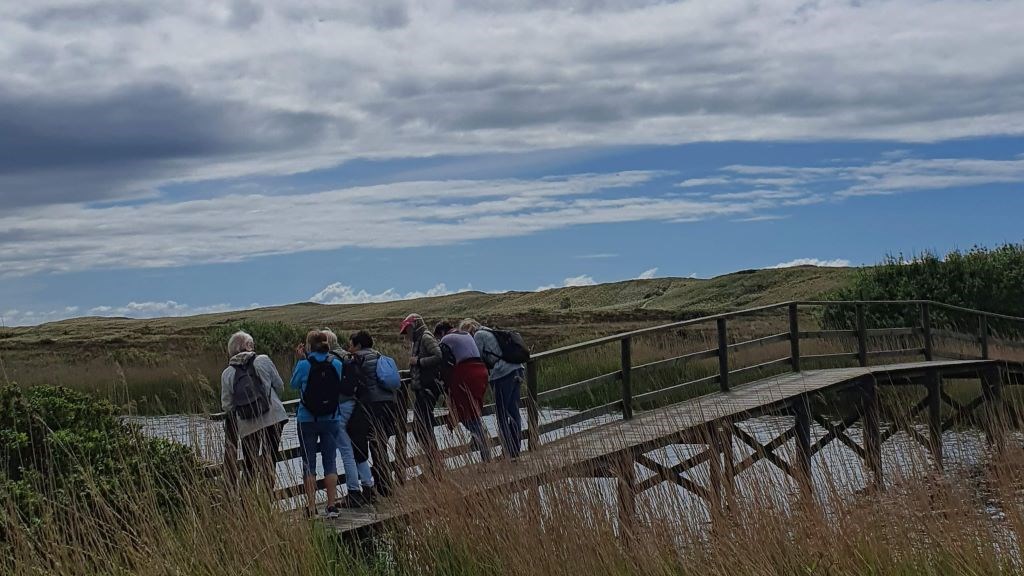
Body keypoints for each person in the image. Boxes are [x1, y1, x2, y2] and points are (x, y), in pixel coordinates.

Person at [290, 330, 363, 518]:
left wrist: (299, 360)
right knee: (330, 462)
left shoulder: (304, 365)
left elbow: (293, 384)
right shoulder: (336, 363)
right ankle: (331, 506)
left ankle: (311, 507)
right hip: (331, 417)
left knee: (309, 463)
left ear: (308, 345)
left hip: (307, 418)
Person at [220, 330, 288, 489]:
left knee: (249, 465)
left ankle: (248, 501)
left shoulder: (227, 373)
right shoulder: (263, 360)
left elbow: (227, 405)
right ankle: (268, 497)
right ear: (248, 345)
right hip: (273, 418)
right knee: (270, 459)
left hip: (247, 424)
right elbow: (279, 386)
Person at [345, 329, 404, 497]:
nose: (349, 349)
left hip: (371, 405)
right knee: (381, 443)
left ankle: (382, 485)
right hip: (389, 403)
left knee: (373, 443)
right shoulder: (379, 356)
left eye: (351, 345)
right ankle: (385, 483)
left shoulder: (358, 359)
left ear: (358, 345)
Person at [460, 318, 524, 461]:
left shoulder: (478, 336)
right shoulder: (489, 331)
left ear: (469, 330)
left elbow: (477, 359)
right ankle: (515, 451)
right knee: (514, 413)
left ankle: (508, 452)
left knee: (501, 415)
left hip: (503, 374)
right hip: (517, 369)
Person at [323, 329, 376, 501]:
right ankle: (368, 487)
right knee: (358, 447)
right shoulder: (348, 356)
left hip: (340, 406)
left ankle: (354, 492)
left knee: (346, 450)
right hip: (355, 404)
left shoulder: (330, 359)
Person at [435, 321, 491, 463]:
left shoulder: (446, 339)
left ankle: (485, 453)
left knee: (465, 413)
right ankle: (481, 441)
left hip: (467, 374)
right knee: (473, 410)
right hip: (481, 372)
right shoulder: (465, 334)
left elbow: (442, 362)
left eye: (438, 337)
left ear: (441, 332)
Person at [400, 313, 443, 468]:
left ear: (415, 326)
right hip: (423, 388)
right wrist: (407, 372)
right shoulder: (419, 340)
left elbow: (438, 356)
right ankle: (434, 463)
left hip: (428, 388)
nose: (407, 334)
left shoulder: (425, 337)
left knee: (422, 427)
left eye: (408, 329)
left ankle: (435, 464)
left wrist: (418, 361)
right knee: (423, 426)